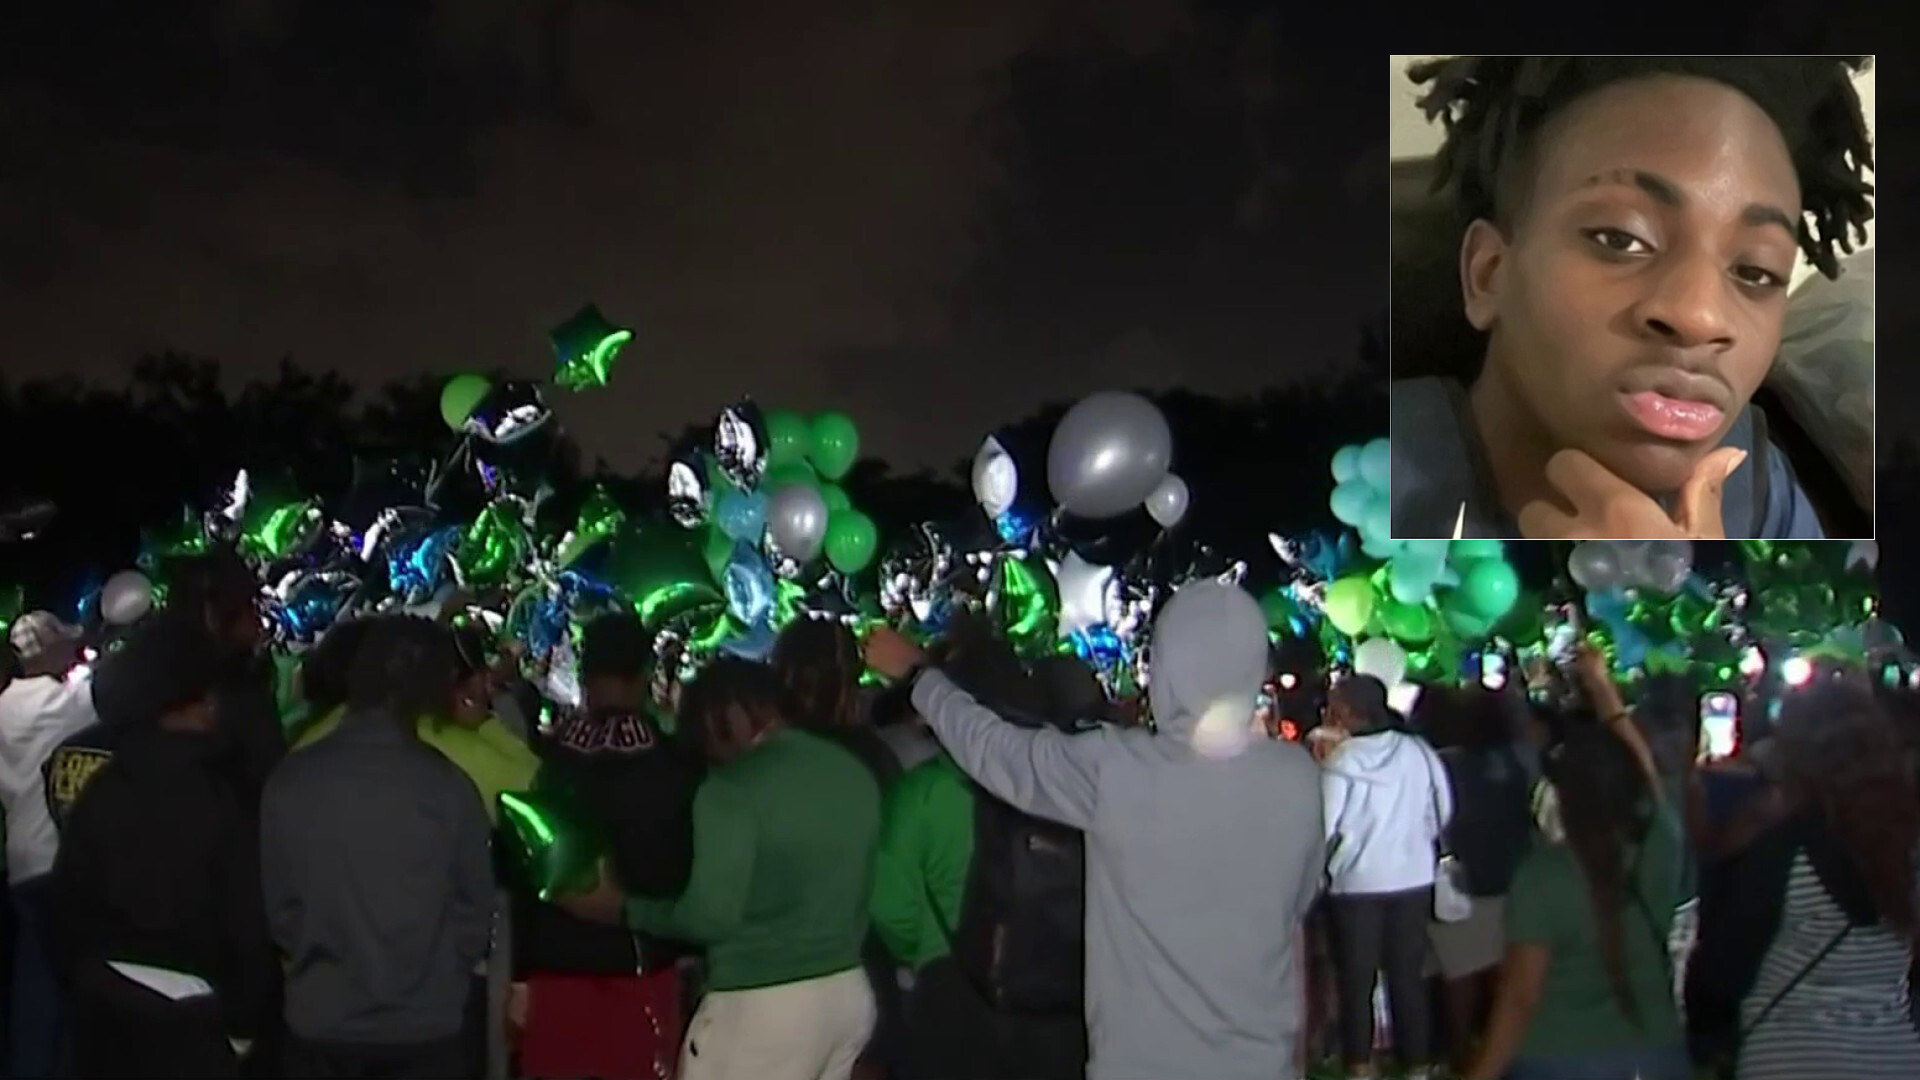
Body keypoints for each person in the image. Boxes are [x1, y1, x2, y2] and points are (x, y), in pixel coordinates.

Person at [1389, 56, 1872, 540]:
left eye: (1755, 271)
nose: (1701, 316)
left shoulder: (1759, 488)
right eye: (1621, 239)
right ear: (1489, 274)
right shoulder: (1357, 477)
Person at [864, 580, 1327, 1080]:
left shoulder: (1118, 771)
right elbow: (1294, 914)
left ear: (1166, 666)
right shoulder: (1297, 779)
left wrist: (920, 679)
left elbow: (996, 751)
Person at [559, 656, 882, 1080]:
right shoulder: (849, 769)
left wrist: (621, 908)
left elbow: (710, 917)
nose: (708, 753)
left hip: (761, 1006)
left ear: (725, 715)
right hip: (848, 996)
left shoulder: (731, 791)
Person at [50, 607, 281, 1077]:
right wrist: (246, 1026)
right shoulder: (225, 794)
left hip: (106, 1006)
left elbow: (67, 904)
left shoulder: (103, 787)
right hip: (194, 1015)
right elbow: (246, 919)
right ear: (197, 702)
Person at [260, 615, 493, 1079]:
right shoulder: (449, 788)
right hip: (426, 1028)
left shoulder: (292, 779)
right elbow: (474, 911)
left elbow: (281, 912)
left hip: (321, 1021)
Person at [868, 617, 1087, 1080]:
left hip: (950, 989)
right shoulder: (1062, 784)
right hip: (1051, 988)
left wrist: (918, 953)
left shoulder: (921, 793)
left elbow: (891, 904)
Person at [1687, 678, 1920, 1080]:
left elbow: (1726, 967)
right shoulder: (1909, 852)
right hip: (1893, 1054)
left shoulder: (1783, 847)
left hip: (1791, 1055)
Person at [513, 612, 703, 1080]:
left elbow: (518, 869)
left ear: (584, 673)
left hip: (554, 975)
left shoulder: (545, 762)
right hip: (642, 976)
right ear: (645, 674)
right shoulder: (677, 766)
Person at [1465, 717, 1689, 1080]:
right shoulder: (1662, 846)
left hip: (1558, 1055)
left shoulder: (1544, 876)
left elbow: (1521, 996)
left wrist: (1482, 1073)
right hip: (1657, 1053)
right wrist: (1604, 691)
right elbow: (1651, 778)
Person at [1320, 674, 1451, 1079]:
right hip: (1412, 878)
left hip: (1356, 883)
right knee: (1407, 977)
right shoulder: (1417, 751)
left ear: (1346, 710)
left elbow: (1324, 825)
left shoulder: (1342, 762)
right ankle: (1417, 1064)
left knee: (1357, 979)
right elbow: (1443, 807)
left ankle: (1360, 1064)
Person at [1414, 686, 1535, 1073]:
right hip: (1511, 878)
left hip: (1457, 880)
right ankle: (1503, 1051)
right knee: (1499, 975)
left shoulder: (1438, 764)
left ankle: (1462, 1056)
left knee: (1459, 975)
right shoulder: (1519, 759)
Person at [0, 609, 97, 1077]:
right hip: (59, 859)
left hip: (19, 861)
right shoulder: (64, 703)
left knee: (32, 982)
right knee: (72, 986)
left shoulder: (1, 709)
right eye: (63, 642)